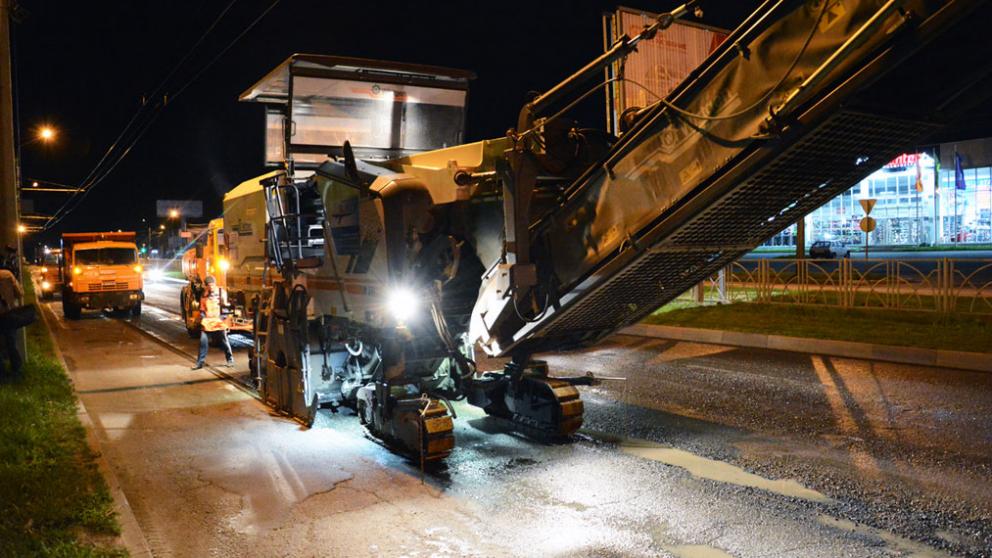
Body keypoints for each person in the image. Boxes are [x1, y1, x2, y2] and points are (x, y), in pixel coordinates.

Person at [191, 275, 234, 370]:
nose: (211, 287)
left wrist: (221, 318)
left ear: (215, 284)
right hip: (207, 323)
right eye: (209, 285)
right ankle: (200, 363)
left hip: (218, 322)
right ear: (206, 286)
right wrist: (201, 319)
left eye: (212, 285)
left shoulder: (221, 293)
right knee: (203, 342)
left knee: (224, 341)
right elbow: (202, 310)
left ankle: (230, 359)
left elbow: (225, 308)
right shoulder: (204, 295)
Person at [0, 266, 24, 382]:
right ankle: (17, 372)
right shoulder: (7, 275)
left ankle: (2, 374)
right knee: (12, 344)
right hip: (8, 314)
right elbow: (20, 293)